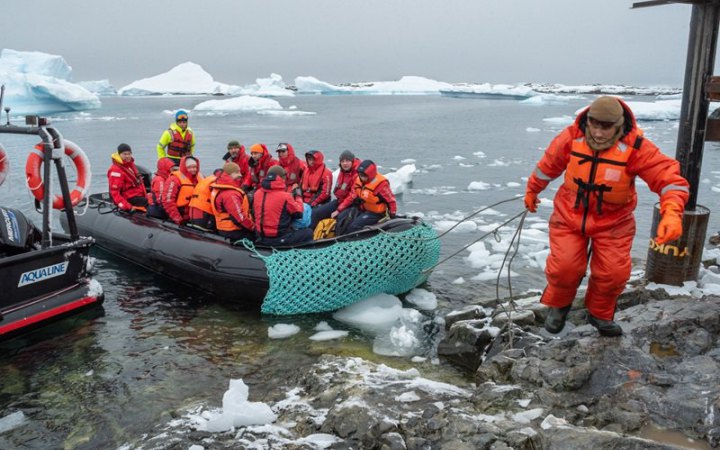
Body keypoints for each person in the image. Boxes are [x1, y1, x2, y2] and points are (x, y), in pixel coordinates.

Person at [524, 96, 689, 337]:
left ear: (619, 125)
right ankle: (559, 305)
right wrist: (532, 190)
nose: (599, 133)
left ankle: (599, 314)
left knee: (613, 273)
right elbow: (547, 166)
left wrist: (672, 213)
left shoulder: (637, 147)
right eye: (595, 125)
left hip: (614, 221)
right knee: (565, 267)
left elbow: (669, 179)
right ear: (588, 121)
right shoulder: (570, 138)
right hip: (570, 214)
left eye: (607, 127)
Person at [331, 159, 397, 234]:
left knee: (353, 227)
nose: (362, 177)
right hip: (363, 209)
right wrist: (339, 210)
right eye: (360, 175)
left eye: (364, 176)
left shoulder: (381, 185)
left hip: (376, 213)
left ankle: (356, 241)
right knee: (342, 218)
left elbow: (391, 201)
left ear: (370, 174)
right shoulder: (359, 181)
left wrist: (392, 215)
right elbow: (352, 196)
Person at [253, 165, 313, 246]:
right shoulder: (285, 197)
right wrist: (298, 196)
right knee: (308, 232)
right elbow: (299, 213)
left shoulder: (257, 193)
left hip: (261, 236)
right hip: (278, 239)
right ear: (282, 179)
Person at [311, 150, 360, 228]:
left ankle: (338, 238)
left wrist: (339, 210)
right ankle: (313, 235)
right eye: (342, 161)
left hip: (351, 205)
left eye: (347, 161)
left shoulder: (357, 174)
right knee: (316, 213)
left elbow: (352, 196)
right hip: (340, 201)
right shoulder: (343, 171)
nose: (345, 163)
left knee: (340, 218)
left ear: (352, 161)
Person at [210, 162, 255, 241]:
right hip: (232, 230)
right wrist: (253, 227)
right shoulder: (230, 194)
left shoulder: (220, 187)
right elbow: (239, 218)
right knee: (256, 237)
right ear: (229, 174)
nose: (240, 175)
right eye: (237, 172)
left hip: (223, 227)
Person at [107, 143, 148, 212]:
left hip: (137, 195)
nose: (127, 156)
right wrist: (127, 206)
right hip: (129, 198)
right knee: (152, 206)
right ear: (119, 155)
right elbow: (114, 192)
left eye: (129, 154)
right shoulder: (116, 170)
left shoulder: (130, 165)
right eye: (125, 154)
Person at [163, 155, 202, 225]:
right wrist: (178, 219)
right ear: (184, 167)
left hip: (195, 217)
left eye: (194, 167)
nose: (193, 169)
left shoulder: (200, 178)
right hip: (180, 216)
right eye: (189, 167)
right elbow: (167, 201)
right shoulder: (174, 179)